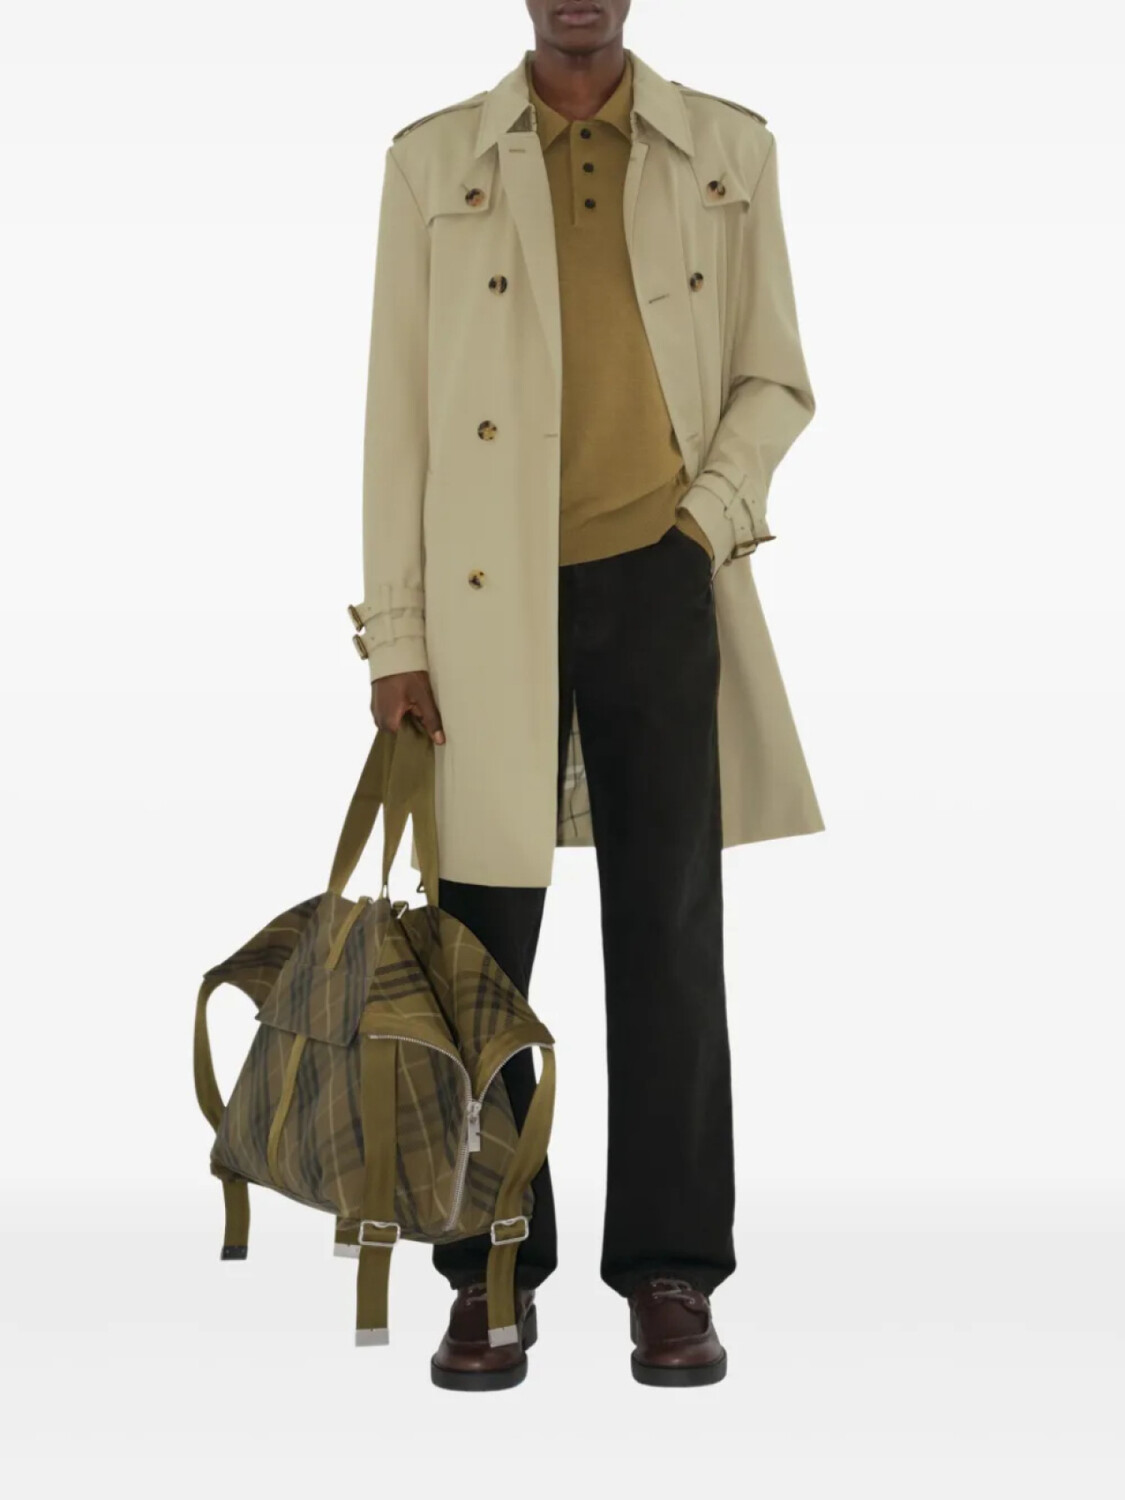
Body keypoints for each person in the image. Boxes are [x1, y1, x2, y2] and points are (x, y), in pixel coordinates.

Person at [348, 0, 821, 1391]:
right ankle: (489, 1261)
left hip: (658, 582)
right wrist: (396, 635)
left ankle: (671, 1271)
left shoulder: (726, 149)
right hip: (482, 605)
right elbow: (394, 413)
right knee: (476, 950)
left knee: (668, 939)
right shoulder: (432, 162)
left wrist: (703, 524)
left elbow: (775, 379)